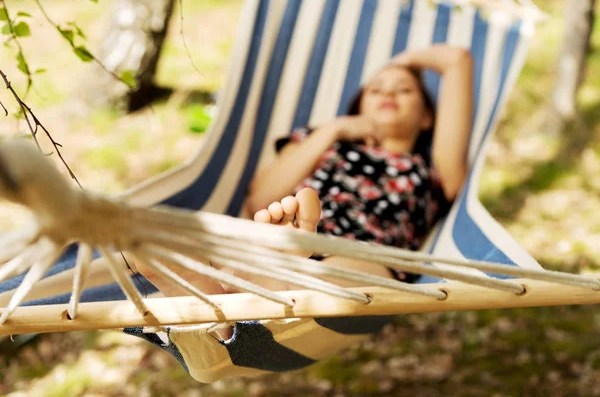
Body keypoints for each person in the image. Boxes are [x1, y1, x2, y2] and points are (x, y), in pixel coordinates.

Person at [136, 44, 473, 338]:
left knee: (341, 265)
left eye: (403, 89)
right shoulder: (317, 140)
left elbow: (458, 59)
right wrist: (333, 130)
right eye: (376, 89)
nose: (387, 94)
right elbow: (260, 198)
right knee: (265, 249)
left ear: (427, 118)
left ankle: (239, 290)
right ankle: (251, 286)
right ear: (358, 107)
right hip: (290, 236)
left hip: (363, 258)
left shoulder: (434, 168)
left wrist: (402, 61)